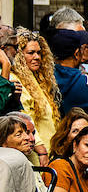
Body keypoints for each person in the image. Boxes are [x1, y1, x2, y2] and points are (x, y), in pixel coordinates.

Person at [10, 29, 59, 164]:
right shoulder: (14, 80)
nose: (37, 57)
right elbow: (24, 119)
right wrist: (41, 149)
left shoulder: (38, 80)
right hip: (36, 154)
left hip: (49, 152)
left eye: (39, 53)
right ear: (19, 55)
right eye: (31, 53)